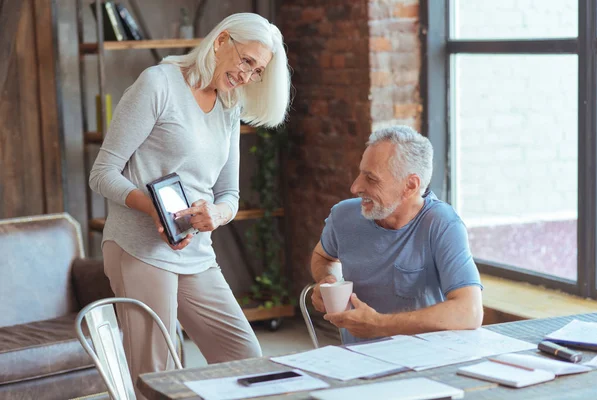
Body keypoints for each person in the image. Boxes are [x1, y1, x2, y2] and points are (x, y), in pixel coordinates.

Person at [89, 12, 291, 397]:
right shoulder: (158, 84)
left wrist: (216, 214)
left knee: (245, 356)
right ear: (221, 41)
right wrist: (153, 209)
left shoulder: (229, 105)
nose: (248, 76)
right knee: (157, 374)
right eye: (246, 61)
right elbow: (103, 172)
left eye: (258, 71)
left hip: (195, 250)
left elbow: (229, 194)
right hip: (140, 248)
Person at [310, 125, 483, 344]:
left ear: (410, 186)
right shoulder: (343, 216)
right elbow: (324, 256)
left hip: (427, 359)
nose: (355, 187)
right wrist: (328, 281)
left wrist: (379, 325)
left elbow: (470, 311)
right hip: (357, 359)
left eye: (371, 179)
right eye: (360, 173)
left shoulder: (442, 224)